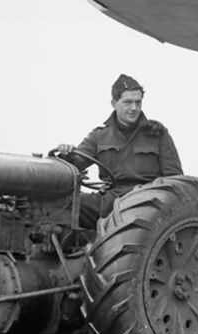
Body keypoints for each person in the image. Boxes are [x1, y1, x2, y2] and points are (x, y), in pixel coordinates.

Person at [56, 73, 183, 228]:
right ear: (114, 103)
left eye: (138, 102)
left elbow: (174, 179)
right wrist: (66, 154)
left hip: (146, 201)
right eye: (128, 102)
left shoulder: (157, 133)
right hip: (111, 200)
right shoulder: (99, 136)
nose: (134, 108)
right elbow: (73, 167)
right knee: (64, 204)